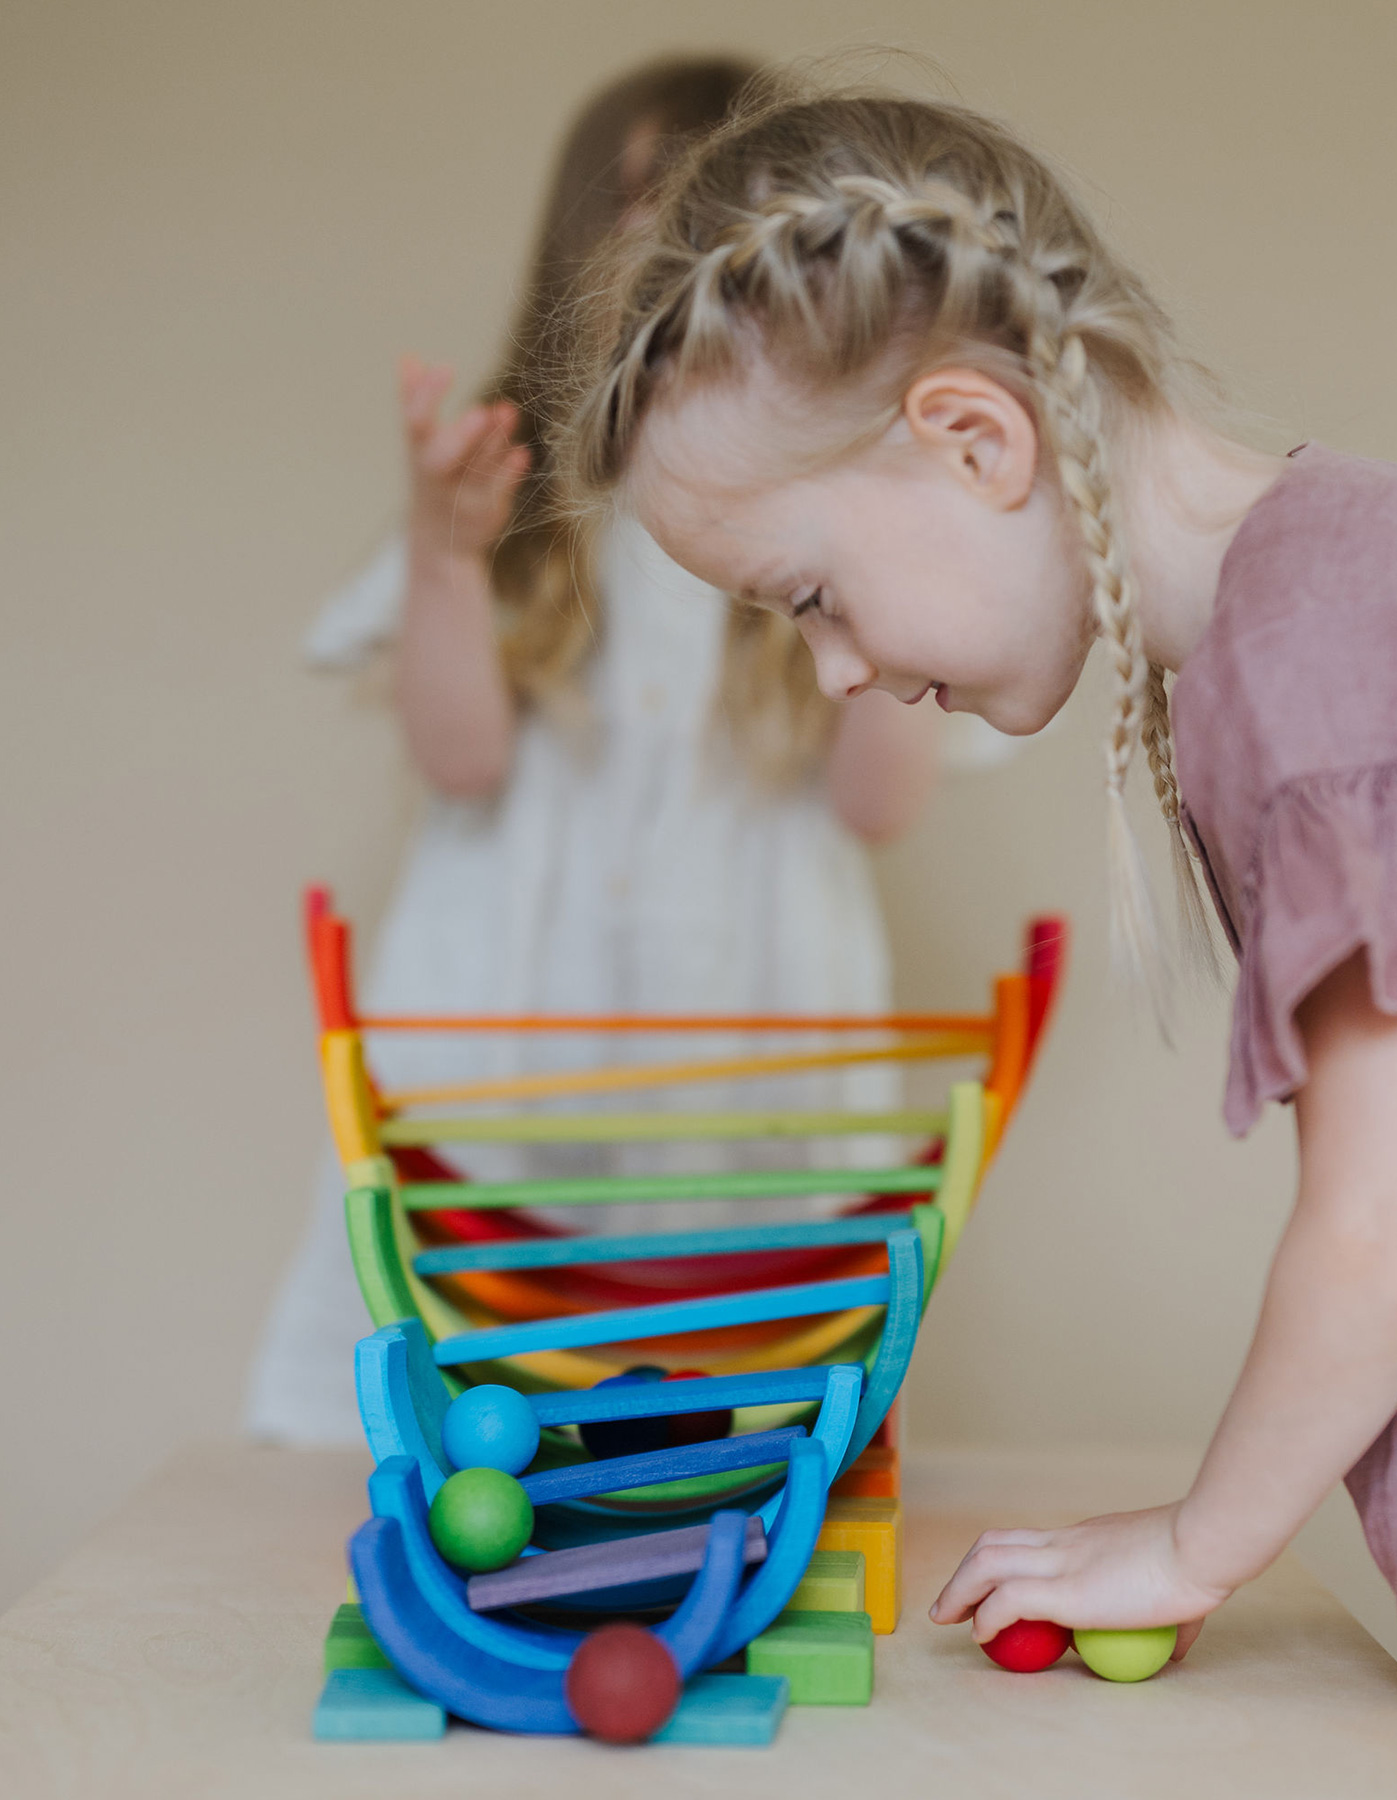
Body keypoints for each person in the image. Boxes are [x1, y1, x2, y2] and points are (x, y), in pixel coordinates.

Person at [557, 78, 1397, 1800]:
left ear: (973, 438)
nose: (834, 672)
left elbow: (1388, 1235)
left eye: (811, 599)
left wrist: (1193, 1545)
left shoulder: (1302, 655)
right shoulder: (1312, 585)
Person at [245, 57, 961, 1446]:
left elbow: (880, 804)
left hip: (753, 1069)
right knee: (451, 1386)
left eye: (731, 200)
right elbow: (460, 759)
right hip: (501, 1047)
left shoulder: (840, 522)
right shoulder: (509, 493)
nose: (678, 235)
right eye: (649, 197)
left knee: (732, 1399)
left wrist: (900, 533)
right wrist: (449, 557)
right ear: (586, 240)